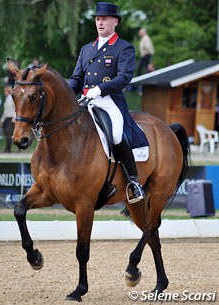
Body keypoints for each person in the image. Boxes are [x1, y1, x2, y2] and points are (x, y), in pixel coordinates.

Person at [69, 2, 147, 203]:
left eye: (104, 19)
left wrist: (100, 89)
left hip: (109, 101)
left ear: (115, 22)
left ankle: (134, 182)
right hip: (86, 100)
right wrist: (64, 90)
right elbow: (77, 78)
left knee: (116, 135)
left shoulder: (124, 48)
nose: (100, 22)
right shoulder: (87, 49)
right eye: (97, 19)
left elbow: (124, 77)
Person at [0, 85, 15, 152]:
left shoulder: (12, 99)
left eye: (5, 91)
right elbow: (5, 111)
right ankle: (7, 147)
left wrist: (14, 117)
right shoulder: (6, 99)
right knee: (7, 133)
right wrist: (2, 120)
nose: (4, 92)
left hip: (11, 118)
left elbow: (16, 108)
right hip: (7, 119)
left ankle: (8, 149)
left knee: (9, 133)